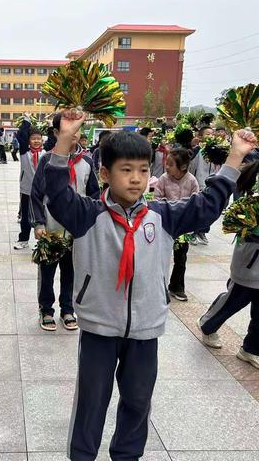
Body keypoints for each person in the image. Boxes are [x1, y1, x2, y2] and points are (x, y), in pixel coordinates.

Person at [43, 109, 256, 461]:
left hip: (145, 330)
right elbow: (55, 188)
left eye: (143, 170)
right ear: (104, 173)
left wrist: (235, 156)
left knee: (138, 400)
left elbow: (208, 205)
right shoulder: (86, 216)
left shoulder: (163, 216)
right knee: (92, 401)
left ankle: (127, 456)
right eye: (125, 170)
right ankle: (82, 456)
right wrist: (65, 138)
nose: (136, 179)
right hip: (99, 327)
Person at [31, 112, 100, 331]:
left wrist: (92, 225)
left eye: (76, 129)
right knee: (48, 271)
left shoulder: (87, 163)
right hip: (51, 229)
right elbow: (35, 194)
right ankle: (46, 310)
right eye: (65, 130)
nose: (72, 134)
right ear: (55, 133)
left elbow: (94, 196)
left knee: (71, 272)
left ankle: (68, 309)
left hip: (76, 232)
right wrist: (39, 223)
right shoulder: (46, 161)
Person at [197, 160, 259, 369]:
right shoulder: (251, 192)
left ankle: (251, 348)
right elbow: (239, 220)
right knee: (235, 299)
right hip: (251, 259)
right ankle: (207, 325)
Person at [154, 148, 199, 302]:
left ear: (183, 167)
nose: (167, 167)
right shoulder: (163, 179)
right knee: (161, 257)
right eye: (167, 163)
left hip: (183, 226)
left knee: (181, 257)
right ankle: (158, 287)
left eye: (171, 164)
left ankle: (177, 286)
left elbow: (195, 201)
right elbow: (157, 198)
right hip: (166, 224)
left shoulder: (191, 180)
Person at [14, 114, 46, 250]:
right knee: (26, 216)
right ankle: (23, 240)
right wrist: (26, 121)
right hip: (26, 188)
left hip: (42, 191)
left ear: (42, 141)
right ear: (29, 141)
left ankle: (42, 242)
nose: (36, 141)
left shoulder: (46, 153)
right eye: (33, 139)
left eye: (39, 139)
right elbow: (21, 135)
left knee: (43, 216)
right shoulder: (24, 152)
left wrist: (50, 125)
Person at [189, 125, 220, 245]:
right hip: (199, 184)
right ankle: (193, 233)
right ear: (200, 136)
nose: (211, 136)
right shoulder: (197, 150)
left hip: (212, 184)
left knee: (210, 210)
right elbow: (191, 166)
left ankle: (202, 231)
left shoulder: (217, 150)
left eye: (212, 134)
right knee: (198, 209)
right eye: (208, 134)